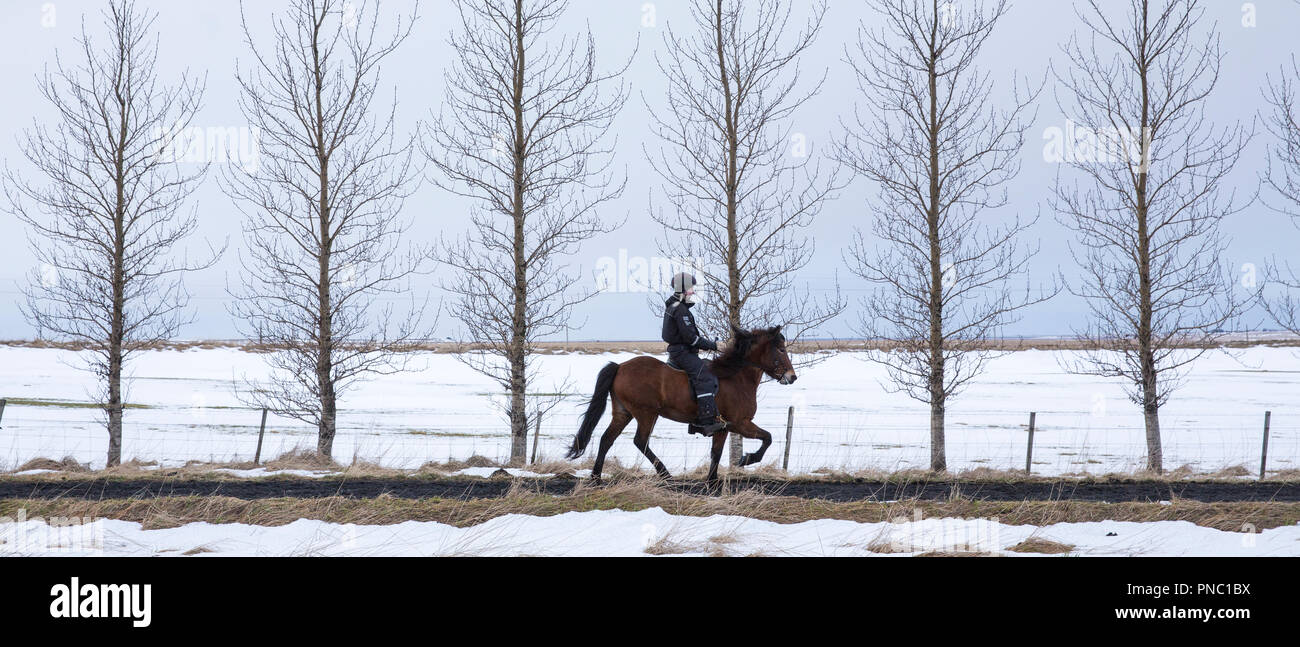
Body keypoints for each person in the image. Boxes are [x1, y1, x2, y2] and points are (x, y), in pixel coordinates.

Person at [661, 272, 727, 436]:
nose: (693, 291)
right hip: (682, 353)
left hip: (681, 352)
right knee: (705, 376)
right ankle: (705, 423)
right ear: (682, 289)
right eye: (691, 288)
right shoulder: (680, 310)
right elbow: (691, 338)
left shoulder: (676, 307)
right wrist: (715, 346)